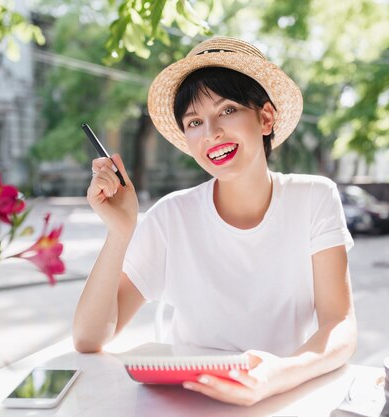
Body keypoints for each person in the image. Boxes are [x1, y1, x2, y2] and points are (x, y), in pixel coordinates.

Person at [73, 36, 356, 406]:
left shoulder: (314, 198)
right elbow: (89, 339)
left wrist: (274, 376)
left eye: (227, 110)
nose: (211, 133)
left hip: (283, 398)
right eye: (194, 121)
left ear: (266, 117)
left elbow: (340, 325)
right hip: (189, 401)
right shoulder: (171, 216)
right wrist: (121, 230)